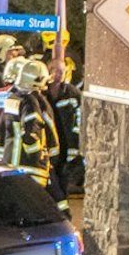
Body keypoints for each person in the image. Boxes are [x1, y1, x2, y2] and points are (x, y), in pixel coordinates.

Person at [4, 59, 60, 189]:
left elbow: (3, 131)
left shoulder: (12, 98)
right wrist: (40, 157)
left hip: (10, 163)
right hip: (30, 167)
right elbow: (32, 133)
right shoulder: (31, 101)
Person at [46, 51, 82, 195]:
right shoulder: (42, 93)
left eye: (62, 71)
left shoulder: (72, 93)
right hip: (50, 141)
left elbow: (80, 115)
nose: (59, 75)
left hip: (67, 141)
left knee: (63, 174)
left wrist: (76, 134)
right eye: (56, 71)